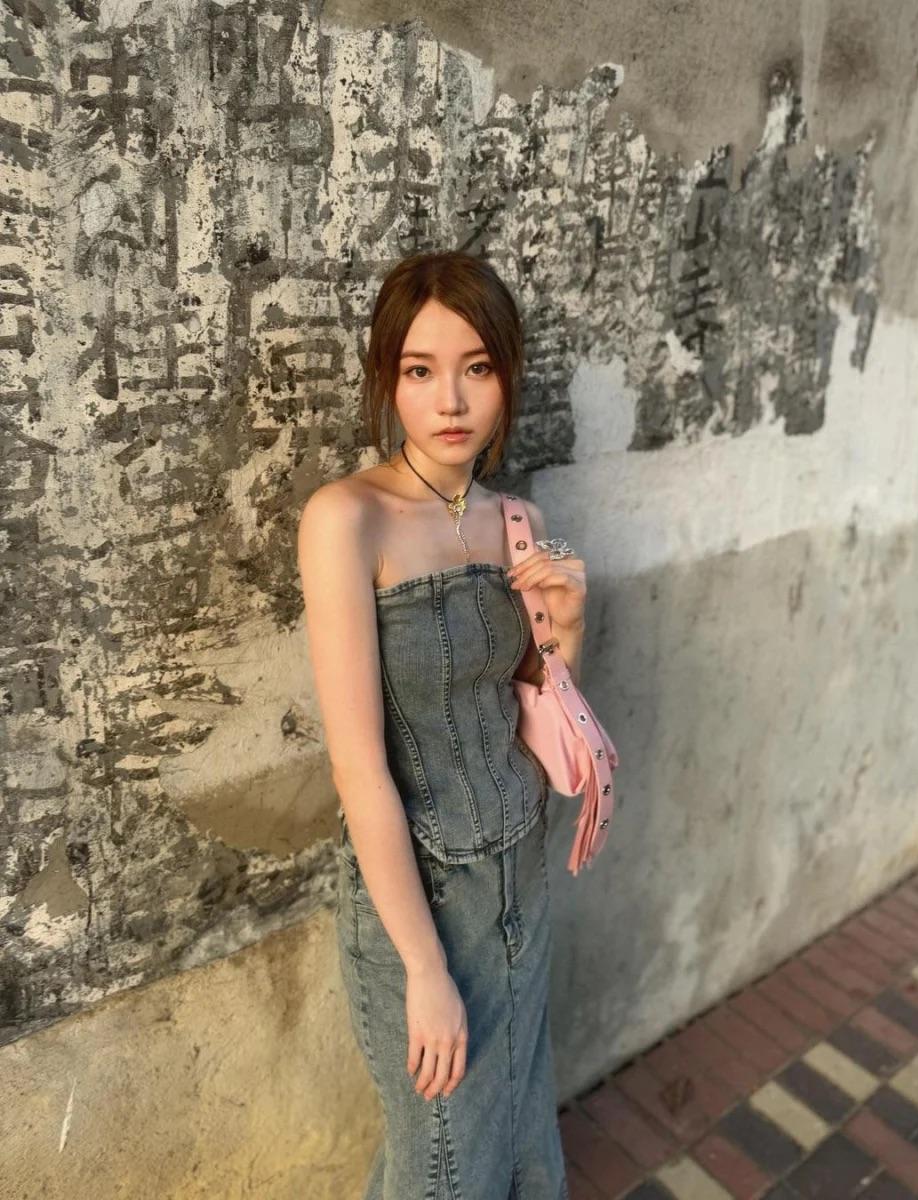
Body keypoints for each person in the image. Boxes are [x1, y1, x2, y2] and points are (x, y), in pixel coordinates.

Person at [297, 250, 587, 1199]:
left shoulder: (518, 521)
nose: (451, 400)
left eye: (478, 367)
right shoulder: (347, 519)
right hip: (422, 900)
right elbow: (358, 769)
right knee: (443, 1166)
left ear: (507, 375)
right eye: (421, 370)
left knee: (518, 1134)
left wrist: (569, 626)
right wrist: (424, 968)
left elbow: (536, 713)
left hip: (522, 875)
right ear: (389, 378)